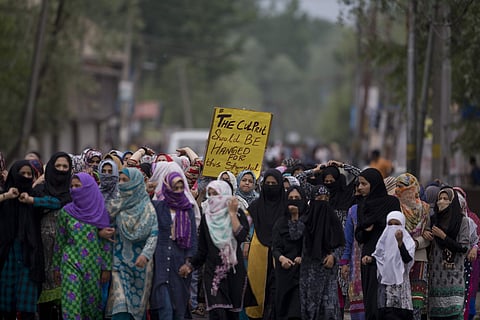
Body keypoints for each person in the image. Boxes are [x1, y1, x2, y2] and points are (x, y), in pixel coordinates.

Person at [180, 180, 249, 320]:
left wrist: (231, 214)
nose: (212, 198)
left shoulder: (239, 214)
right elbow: (203, 250)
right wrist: (190, 265)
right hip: (213, 274)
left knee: (231, 315)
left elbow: (241, 236)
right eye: (209, 194)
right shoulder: (207, 218)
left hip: (234, 274)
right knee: (217, 312)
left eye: (216, 194)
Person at [52, 173, 112, 319]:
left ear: (88, 188)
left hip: (93, 264)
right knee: (71, 305)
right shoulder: (66, 212)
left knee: (89, 308)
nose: (74, 189)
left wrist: (106, 267)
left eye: (78, 186)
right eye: (71, 186)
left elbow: (105, 244)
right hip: (70, 262)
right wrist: (56, 267)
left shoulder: (99, 211)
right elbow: (60, 241)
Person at [106, 168, 158, 320]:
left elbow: (153, 234)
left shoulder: (148, 208)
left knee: (136, 311)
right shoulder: (115, 205)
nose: (121, 184)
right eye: (119, 180)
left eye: (125, 180)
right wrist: (103, 231)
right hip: (119, 263)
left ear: (135, 183)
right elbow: (101, 222)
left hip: (141, 266)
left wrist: (145, 255)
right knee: (120, 305)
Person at [149, 172, 198, 320]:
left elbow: (193, 238)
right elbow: (138, 203)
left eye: (180, 188)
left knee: (179, 310)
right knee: (165, 310)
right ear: (167, 187)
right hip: (161, 264)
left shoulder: (188, 209)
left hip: (180, 265)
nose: (177, 191)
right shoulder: (158, 207)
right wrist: (146, 189)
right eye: (174, 187)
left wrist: (188, 264)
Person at [355, 168, 401, 320]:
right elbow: (360, 236)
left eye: (363, 184)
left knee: (388, 298)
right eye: (359, 184)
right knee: (372, 298)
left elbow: (396, 227)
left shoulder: (392, 202)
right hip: (369, 255)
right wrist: (367, 230)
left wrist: (374, 223)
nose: (360, 187)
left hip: (388, 255)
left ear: (374, 184)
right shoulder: (363, 204)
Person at [0, 161, 44, 320]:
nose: (25, 177)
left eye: (29, 174)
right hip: (7, 257)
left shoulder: (34, 197)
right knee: (6, 308)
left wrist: (32, 200)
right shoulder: (5, 197)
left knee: (27, 310)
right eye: (22, 174)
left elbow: (56, 202)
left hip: (28, 258)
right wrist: (6, 196)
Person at [245, 168, 286, 319]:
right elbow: (244, 226)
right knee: (257, 291)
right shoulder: (255, 206)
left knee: (276, 294)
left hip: (282, 254)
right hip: (259, 253)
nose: (270, 186)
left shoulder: (288, 206)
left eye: (274, 183)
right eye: (267, 183)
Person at [423, 187, 469, 319]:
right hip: (436, 277)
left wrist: (444, 237)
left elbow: (464, 247)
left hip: (454, 275)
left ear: (452, 201)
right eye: (439, 199)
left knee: (454, 313)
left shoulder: (462, 221)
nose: (441, 202)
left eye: (445, 199)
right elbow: (427, 240)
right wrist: (425, 233)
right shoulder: (433, 219)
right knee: (437, 315)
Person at [300, 185, 345, 319]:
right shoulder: (304, 221)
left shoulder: (333, 221)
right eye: (319, 198)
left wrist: (333, 256)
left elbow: (341, 244)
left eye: (326, 199)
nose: (323, 202)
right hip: (308, 275)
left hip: (328, 273)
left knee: (328, 310)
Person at [395, 173, 430, 320]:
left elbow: (428, 235)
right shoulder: (395, 207)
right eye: (396, 186)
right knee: (399, 298)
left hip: (418, 256)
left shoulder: (425, 209)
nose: (397, 190)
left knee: (417, 299)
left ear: (411, 188)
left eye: (401, 187)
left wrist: (416, 243)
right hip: (399, 256)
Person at [372, 211, 415, 320]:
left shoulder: (408, 241)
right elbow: (379, 257)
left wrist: (400, 244)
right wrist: (369, 259)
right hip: (385, 291)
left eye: (396, 224)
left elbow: (407, 260)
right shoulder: (383, 241)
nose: (393, 228)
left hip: (402, 290)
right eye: (390, 224)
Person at [272, 186, 307, 320]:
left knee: (296, 310)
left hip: (302, 272)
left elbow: (310, 244)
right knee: (283, 309)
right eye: (290, 199)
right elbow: (275, 247)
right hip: (284, 272)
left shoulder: (309, 221)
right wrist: (281, 259)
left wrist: (302, 257)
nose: (293, 202)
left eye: (297, 199)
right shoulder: (280, 223)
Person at [340, 181, 365, 320]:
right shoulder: (353, 211)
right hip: (356, 265)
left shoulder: (380, 208)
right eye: (356, 190)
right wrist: (345, 263)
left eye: (361, 189)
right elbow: (348, 240)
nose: (358, 193)